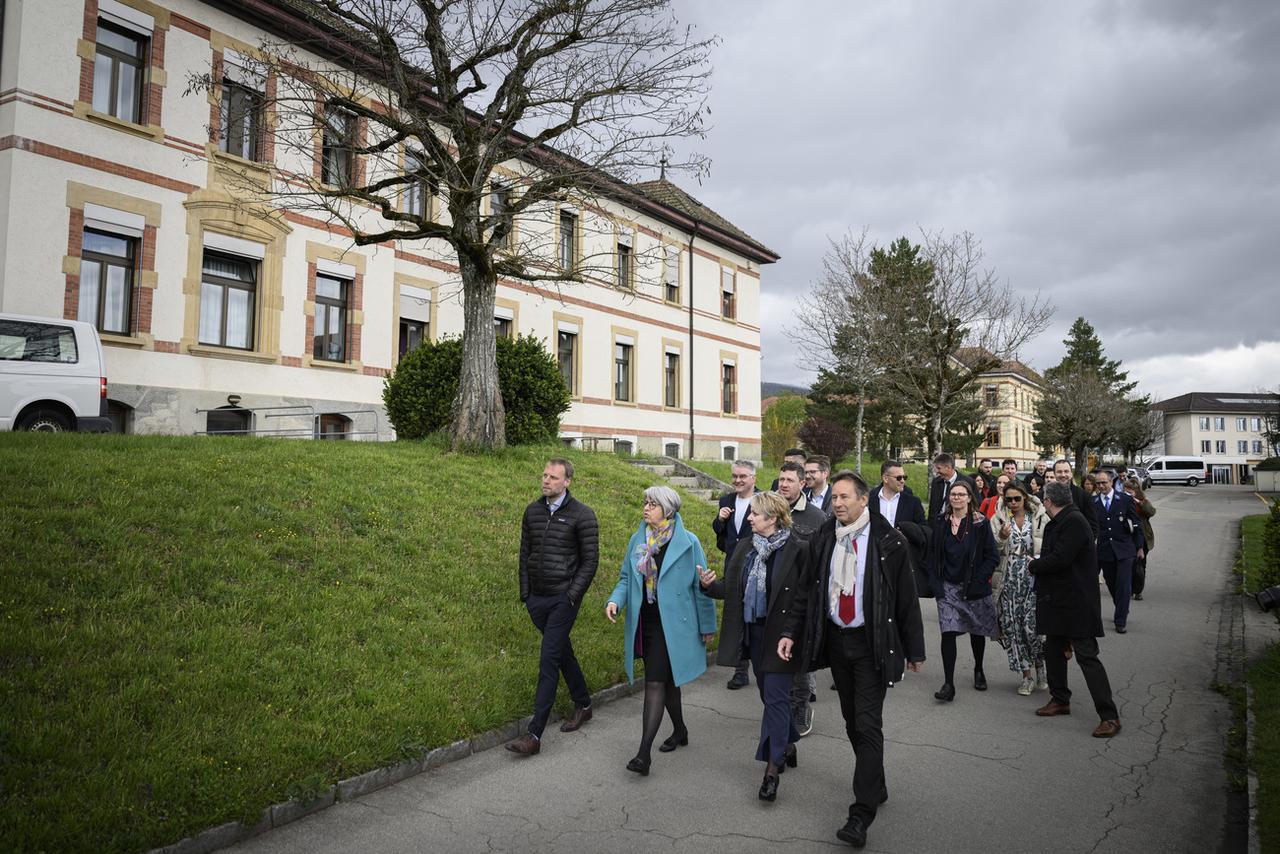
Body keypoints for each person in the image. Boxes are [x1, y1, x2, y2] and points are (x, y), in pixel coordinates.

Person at [778, 470, 926, 848]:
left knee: (867, 722)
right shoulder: (825, 537)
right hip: (837, 642)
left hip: (872, 644)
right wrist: (789, 632)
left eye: (844, 498)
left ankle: (860, 814)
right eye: (835, 498)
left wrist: (915, 650)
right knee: (850, 721)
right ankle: (875, 782)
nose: (837, 504)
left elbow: (906, 600)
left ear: (864, 500)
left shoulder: (889, 542)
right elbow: (806, 592)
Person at [700, 492, 808, 801]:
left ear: (772, 518)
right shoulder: (746, 547)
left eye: (755, 514)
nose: (749, 518)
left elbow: (803, 599)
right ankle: (788, 741)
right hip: (754, 636)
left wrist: (792, 633)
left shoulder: (796, 550)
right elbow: (733, 588)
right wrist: (708, 586)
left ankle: (772, 771)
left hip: (783, 638)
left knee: (774, 699)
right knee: (768, 696)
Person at [605, 486, 717, 775]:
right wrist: (615, 601)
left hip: (677, 625)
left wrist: (707, 626)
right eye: (645, 502)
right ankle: (679, 730)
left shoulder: (688, 542)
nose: (645, 508)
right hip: (649, 622)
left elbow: (701, 587)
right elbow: (626, 578)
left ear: (668, 510)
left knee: (656, 681)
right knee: (666, 682)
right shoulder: (638, 540)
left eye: (652, 504)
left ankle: (643, 754)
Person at [507, 459, 600, 756]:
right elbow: (525, 554)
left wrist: (572, 595)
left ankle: (534, 735)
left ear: (567, 481)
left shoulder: (582, 515)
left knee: (549, 658)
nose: (546, 480)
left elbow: (590, 561)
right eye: (544, 475)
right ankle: (583, 703)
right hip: (537, 598)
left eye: (553, 477)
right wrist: (526, 593)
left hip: (563, 598)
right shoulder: (532, 511)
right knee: (560, 652)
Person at [1029, 482, 1121, 738]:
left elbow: (1061, 558)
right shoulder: (1060, 521)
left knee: (1087, 657)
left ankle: (1109, 716)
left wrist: (1034, 565)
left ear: (1048, 501)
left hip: (1077, 603)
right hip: (1057, 600)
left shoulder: (1074, 522)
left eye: (1043, 499)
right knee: (1053, 650)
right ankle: (1060, 699)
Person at [925, 479, 998, 701]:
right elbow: (932, 554)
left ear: (969, 498)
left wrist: (978, 580)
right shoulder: (941, 522)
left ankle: (978, 669)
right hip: (947, 587)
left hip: (973, 585)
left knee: (976, 630)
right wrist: (935, 584)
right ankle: (948, 683)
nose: (956, 497)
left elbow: (991, 556)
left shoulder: (980, 523)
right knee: (948, 632)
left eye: (961, 494)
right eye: (953, 494)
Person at [775, 462, 825, 735]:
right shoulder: (768, 510)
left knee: (800, 661)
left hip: (802, 599)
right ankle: (780, 709)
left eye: (789, 480)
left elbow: (822, 560)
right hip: (773, 600)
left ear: (802, 483)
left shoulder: (816, 518)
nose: (784, 484)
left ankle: (801, 706)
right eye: (781, 479)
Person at [993, 481, 1049, 695]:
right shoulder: (998, 519)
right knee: (1013, 629)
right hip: (1008, 579)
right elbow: (992, 549)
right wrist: (1002, 537)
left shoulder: (1039, 517)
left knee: (1032, 628)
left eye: (1017, 498)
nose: (1013, 503)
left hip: (1032, 577)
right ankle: (1026, 676)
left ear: (1025, 497)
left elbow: (1048, 544)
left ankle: (1040, 666)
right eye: (1009, 499)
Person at [713, 459, 759, 689]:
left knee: (754, 615)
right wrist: (719, 519)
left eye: (743, 476)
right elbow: (721, 533)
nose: (738, 480)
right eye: (735, 476)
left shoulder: (763, 500)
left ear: (753, 478)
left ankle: (760, 662)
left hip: (756, 565)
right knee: (735, 616)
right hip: (732, 564)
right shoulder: (727, 500)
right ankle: (740, 671)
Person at [1093, 470, 1146, 634]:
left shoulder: (1125, 499)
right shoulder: (1092, 501)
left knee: (1123, 585)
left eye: (1104, 482)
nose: (1101, 486)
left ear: (1111, 482)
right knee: (1111, 583)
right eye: (1098, 483)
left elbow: (1136, 524)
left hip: (1124, 549)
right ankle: (1122, 606)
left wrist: (1139, 547)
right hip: (1104, 550)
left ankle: (1120, 620)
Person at [1052, 459, 1099, 541]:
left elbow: (1093, 527)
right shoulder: (1046, 496)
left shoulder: (1084, 496)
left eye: (1066, 471)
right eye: (1059, 472)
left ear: (1071, 474)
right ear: (1054, 474)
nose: (1063, 475)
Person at [1127, 476, 1157, 601]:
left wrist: (1139, 503)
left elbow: (1152, 512)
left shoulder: (1143, 501)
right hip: (1128, 537)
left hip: (1143, 537)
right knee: (1128, 564)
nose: (1127, 494)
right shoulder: (1122, 501)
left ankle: (1138, 590)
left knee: (1140, 564)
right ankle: (1129, 588)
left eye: (1130, 492)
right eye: (1126, 491)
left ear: (1136, 492)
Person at [928, 452, 975, 520]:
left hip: (960, 523)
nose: (936, 471)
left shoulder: (968, 482)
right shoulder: (936, 482)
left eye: (939, 468)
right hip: (938, 524)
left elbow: (975, 505)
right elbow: (932, 507)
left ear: (948, 467)